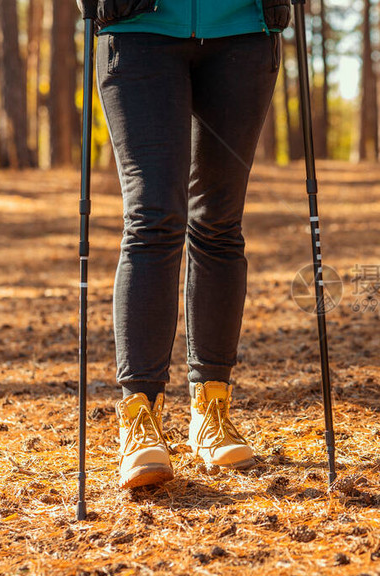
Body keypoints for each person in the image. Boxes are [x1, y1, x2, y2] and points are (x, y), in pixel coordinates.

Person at [78, 0, 289, 488]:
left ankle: (211, 408)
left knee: (219, 223)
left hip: (242, 29)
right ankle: (139, 418)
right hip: (139, 27)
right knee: (153, 218)